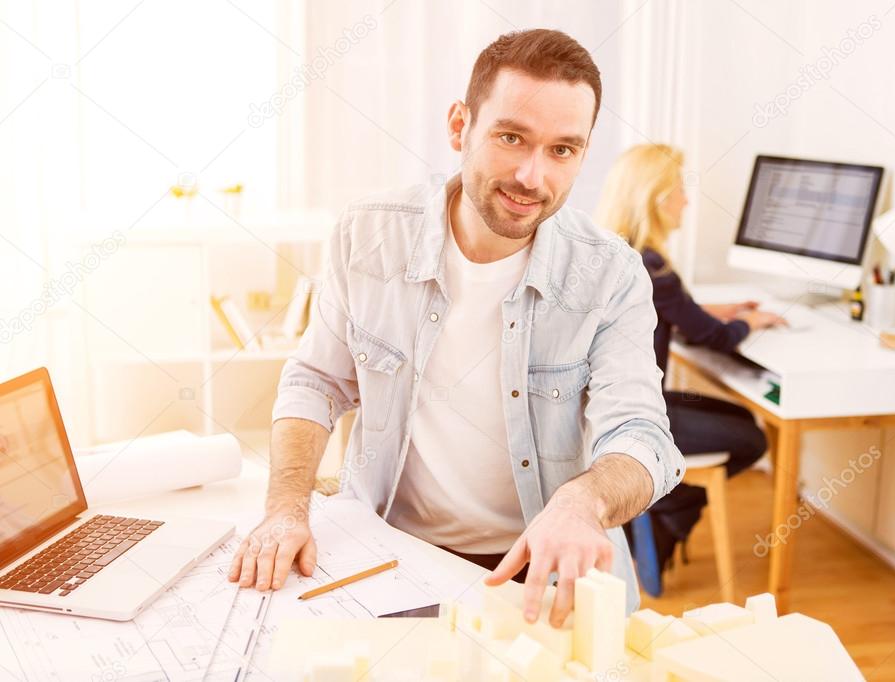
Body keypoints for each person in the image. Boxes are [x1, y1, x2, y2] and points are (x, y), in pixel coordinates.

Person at [228, 30, 684, 627]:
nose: (532, 176)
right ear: (458, 126)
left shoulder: (612, 274)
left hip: (537, 573)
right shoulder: (368, 236)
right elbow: (315, 381)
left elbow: (642, 435)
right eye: (510, 137)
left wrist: (581, 501)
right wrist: (286, 507)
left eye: (562, 150)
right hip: (391, 555)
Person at [594, 144, 784, 595]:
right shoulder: (655, 269)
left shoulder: (621, 254)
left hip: (613, 402)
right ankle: (662, 508)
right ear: (657, 199)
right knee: (753, 438)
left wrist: (722, 310)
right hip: (644, 411)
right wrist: (748, 322)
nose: (686, 201)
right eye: (680, 190)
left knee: (739, 418)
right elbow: (710, 337)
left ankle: (662, 508)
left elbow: (678, 313)